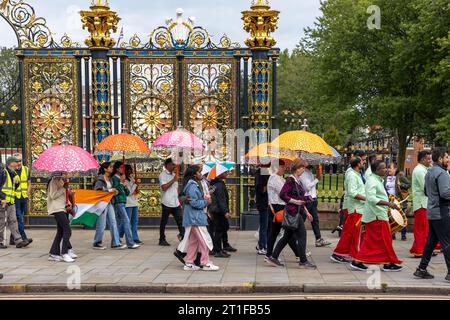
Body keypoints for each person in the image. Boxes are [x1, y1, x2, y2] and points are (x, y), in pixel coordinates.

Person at [351, 160, 403, 272]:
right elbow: (371, 198)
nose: (386, 170)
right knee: (382, 240)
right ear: (377, 170)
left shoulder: (377, 180)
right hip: (376, 216)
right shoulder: (372, 181)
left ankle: (360, 261)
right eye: (383, 168)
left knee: (375, 241)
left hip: (379, 214)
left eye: (386, 168)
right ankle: (387, 263)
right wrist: (388, 203)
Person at [266, 158, 316, 269]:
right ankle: (303, 261)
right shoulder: (290, 180)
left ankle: (274, 257)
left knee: (287, 236)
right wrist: (296, 201)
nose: (303, 170)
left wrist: (306, 209)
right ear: (297, 169)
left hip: (296, 211)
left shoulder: (297, 181)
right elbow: (283, 195)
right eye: (302, 167)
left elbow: (298, 197)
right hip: (292, 212)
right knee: (302, 235)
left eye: (304, 167)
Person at [414, 147, 450, 282]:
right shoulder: (442, 173)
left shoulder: (429, 172)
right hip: (442, 212)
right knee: (447, 242)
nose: (448, 159)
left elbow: (425, 191)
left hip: (432, 211)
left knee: (431, 242)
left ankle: (421, 269)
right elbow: (445, 193)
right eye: (447, 157)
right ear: (440, 159)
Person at [178, 165, 219, 271]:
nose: (201, 174)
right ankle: (205, 263)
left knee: (194, 241)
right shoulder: (192, 186)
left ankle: (189, 262)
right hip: (195, 218)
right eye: (199, 172)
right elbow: (194, 202)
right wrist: (206, 201)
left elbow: (194, 200)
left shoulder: (193, 185)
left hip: (193, 217)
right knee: (205, 240)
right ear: (194, 174)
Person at [331, 157, 365, 263]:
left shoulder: (356, 174)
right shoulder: (352, 175)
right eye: (362, 161)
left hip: (357, 208)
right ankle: (339, 253)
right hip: (355, 208)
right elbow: (352, 193)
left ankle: (348, 253)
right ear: (358, 164)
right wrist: (367, 198)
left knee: (351, 232)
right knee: (350, 233)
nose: (364, 163)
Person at [266, 160, 299, 260]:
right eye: (282, 167)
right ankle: (271, 255)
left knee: (283, 232)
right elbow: (284, 192)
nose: (284, 169)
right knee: (285, 232)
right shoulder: (274, 178)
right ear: (277, 167)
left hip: (278, 207)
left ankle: (298, 254)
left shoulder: (278, 178)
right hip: (277, 207)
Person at [93, 162, 125, 250]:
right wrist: (110, 190)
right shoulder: (99, 179)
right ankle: (97, 242)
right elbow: (98, 192)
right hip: (102, 203)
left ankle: (116, 243)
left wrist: (115, 192)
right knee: (102, 224)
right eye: (110, 167)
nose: (112, 168)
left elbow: (111, 191)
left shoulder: (110, 178)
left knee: (113, 222)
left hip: (109, 202)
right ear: (105, 169)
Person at [410, 150, 436, 257]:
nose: (430, 161)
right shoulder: (420, 171)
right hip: (421, 203)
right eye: (428, 159)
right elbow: (425, 187)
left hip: (423, 203)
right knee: (422, 228)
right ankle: (420, 250)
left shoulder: (423, 169)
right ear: (422, 159)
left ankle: (422, 249)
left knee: (424, 228)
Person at [0, 156, 30, 249]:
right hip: (3, 202)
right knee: (1, 222)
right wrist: (2, 198)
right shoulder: (3, 172)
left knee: (13, 221)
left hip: (11, 201)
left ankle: (18, 241)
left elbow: (14, 187)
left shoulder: (13, 173)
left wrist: (16, 183)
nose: (18, 163)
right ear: (10, 163)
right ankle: (0, 241)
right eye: (16, 162)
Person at [47, 172, 77, 263]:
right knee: (67, 230)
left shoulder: (62, 181)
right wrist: (63, 188)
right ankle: (64, 253)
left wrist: (70, 204)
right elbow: (53, 195)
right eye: (64, 173)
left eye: (67, 173)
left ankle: (53, 253)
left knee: (60, 231)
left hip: (62, 208)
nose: (66, 175)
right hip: (57, 209)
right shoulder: (54, 180)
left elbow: (65, 197)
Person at [300, 163, 331, 247]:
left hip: (312, 199)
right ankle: (292, 238)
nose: (313, 162)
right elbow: (307, 187)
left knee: (315, 220)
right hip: (307, 199)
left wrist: (318, 172)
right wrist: (317, 179)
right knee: (301, 220)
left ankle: (318, 239)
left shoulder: (309, 172)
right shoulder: (303, 173)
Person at [112, 162, 140, 249]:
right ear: (117, 169)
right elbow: (118, 191)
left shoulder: (126, 179)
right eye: (121, 168)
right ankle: (129, 242)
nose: (122, 170)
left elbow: (127, 192)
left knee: (124, 221)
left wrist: (124, 184)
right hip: (119, 201)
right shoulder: (114, 178)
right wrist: (122, 182)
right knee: (125, 221)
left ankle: (116, 241)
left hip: (124, 201)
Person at [159, 158, 184, 246]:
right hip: (167, 202)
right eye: (172, 164)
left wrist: (179, 200)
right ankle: (162, 239)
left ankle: (183, 236)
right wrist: (173, 180)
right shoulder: (163, 175)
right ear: (167, 165)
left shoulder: (174, 174)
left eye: (174, 164)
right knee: (164, 222)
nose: (174, 166)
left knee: (180, 220)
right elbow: (164, 187)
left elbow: (176, 189)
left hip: (175, 202)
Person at [209, 171, 232, 258]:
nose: (227, 173)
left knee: (222, 229)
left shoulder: (215, 183)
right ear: (219, 174)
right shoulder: (219, 185)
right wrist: (225, 211)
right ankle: (217, 250)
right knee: (219, 231)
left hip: (216, 210)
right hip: (218, 211)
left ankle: (219, 249)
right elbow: (221, 199)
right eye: (225, 172)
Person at [385, 163, 410, 241]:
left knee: (401, 216)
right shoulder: (385, 177)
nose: (388, 169)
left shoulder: (400, 177)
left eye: (390, 168)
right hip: (389, 201)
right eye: (388, 168)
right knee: (391, 218)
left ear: (395, 169)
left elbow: (408, 184)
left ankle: (403, 235)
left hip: (399, 201)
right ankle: (392, 234)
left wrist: (401, 184)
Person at [11, 153, 32, 244]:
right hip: (15, 197)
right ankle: (23, 237)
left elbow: (29, 183)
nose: (19, 163)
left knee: (20, 217)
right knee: (19, 218)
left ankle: (12, 239)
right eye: (17, 161)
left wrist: (27, 193)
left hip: (24, 197)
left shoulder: (26, 169)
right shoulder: (10, 171)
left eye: (20, 161)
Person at [255, 164, 270, 255]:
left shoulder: (264, 174)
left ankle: (261, 243)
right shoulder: (261, 175)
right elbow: (262, 190)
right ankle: (262, 246)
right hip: (263, 203)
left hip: (265, 203)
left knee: (266, 225)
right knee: (264, 226)